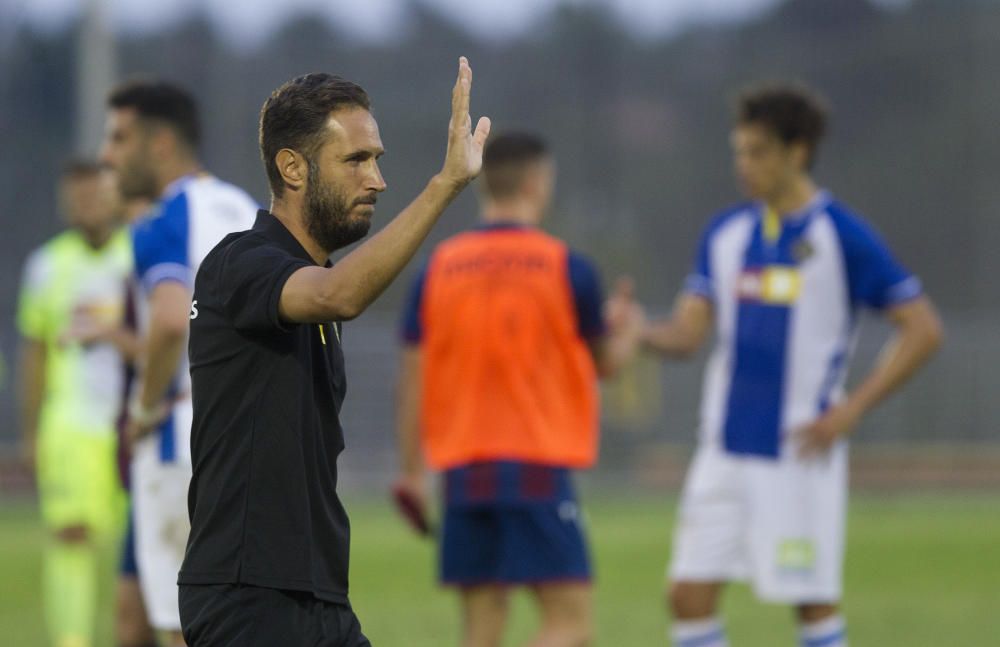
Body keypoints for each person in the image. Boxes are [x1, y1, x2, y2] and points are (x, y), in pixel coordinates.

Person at [177, 58, 490, 646]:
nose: (377, 179)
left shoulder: (310, 289)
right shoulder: (239, 263)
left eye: (376, 159)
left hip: (318, 597)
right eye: (355, 160)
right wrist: (444, 185)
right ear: (291, 168)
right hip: (248, 600)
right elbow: (342, 294)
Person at [640, 84, 944, 647]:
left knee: (811, 603)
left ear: (797, 152)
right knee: (687, 596)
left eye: (757, 152)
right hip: (724, 450)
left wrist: (852, 409)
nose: (743, 165)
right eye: (739, 151)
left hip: (800, 449)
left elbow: (923, 328)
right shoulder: (726, 233)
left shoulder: (843, 236)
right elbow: (687, 335)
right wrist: (637, 332)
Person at [393, 132, 643, 647]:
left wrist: (412, 472)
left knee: (481, 630)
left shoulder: (437, 268)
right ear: (536, 182)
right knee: (570, 626)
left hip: (462, 470)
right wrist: (630, 332)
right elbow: (607, 365)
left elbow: (411, 379)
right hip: (535, 465)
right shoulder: (566, 267)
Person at [100, 80, 259, 646]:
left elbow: (170, 320)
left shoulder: (163, 221)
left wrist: (143, 409)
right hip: (252, 435)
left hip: (182, 437)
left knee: (183, 630)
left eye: (119, 139)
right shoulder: (247, 209)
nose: (106, 156)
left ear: (160, 143)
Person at [17, 160, 133, 647]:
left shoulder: (139, 255)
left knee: (139, 542)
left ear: (115, 196)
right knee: (70, 535)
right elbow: (36, 351)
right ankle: (72, 639)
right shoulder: (47, 265)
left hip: (131, 422)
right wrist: (32, 434)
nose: (88, 205)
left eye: (97, 194)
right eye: (79, 197)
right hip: (70, 423)